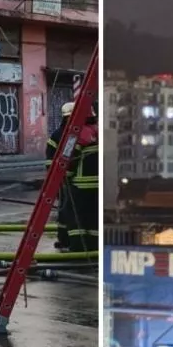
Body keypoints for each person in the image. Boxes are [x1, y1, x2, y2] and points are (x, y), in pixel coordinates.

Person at [65, 106, 100, 252]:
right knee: (94, 219)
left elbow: (68, 158)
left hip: (80, 184)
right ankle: (94, 247)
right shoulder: (98, 130)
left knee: (75, 218)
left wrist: (65, 175)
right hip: (98, 185)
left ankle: (78, 248)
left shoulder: (77, 134)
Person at [46, 102, 76, 251]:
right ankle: (66, 240)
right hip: (68, 181)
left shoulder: (58, 135)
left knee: (66, 211)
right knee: (67, 211)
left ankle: (65, 240)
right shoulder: (69, 135)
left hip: (66, 180)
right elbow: (49, 159)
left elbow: (49, 159)